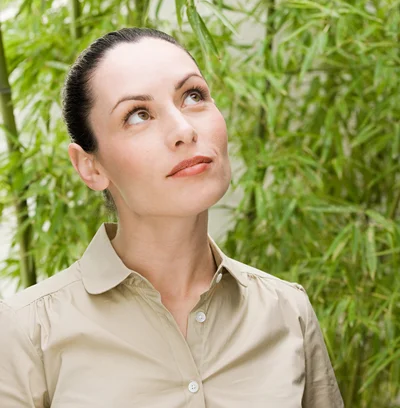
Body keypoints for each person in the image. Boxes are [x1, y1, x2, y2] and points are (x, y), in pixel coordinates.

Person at [0, 27, 344, 407]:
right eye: (137, 116)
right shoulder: (27, 332)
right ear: (90, 166)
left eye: (193, 96)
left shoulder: (287, 312)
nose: (183, 130)